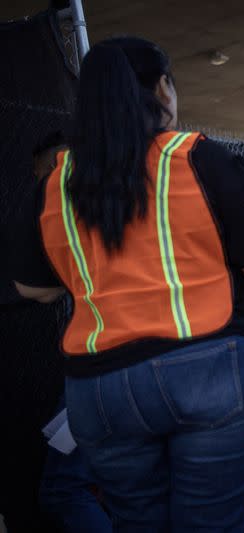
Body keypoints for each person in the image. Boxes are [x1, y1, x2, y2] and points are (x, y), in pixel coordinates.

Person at [10, 37, 244, 532]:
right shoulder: (194, 156)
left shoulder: (56, 181)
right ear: (163, 87)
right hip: (213, 366)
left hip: (101, 390)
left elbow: (33, 288)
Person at [28, 132, 112, 533]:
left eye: (46, 173)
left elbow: (36, 289)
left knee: (64, 488)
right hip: (151, 368)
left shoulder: (68, 216)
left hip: (99, 369)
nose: (41, 185)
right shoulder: (128, 204)